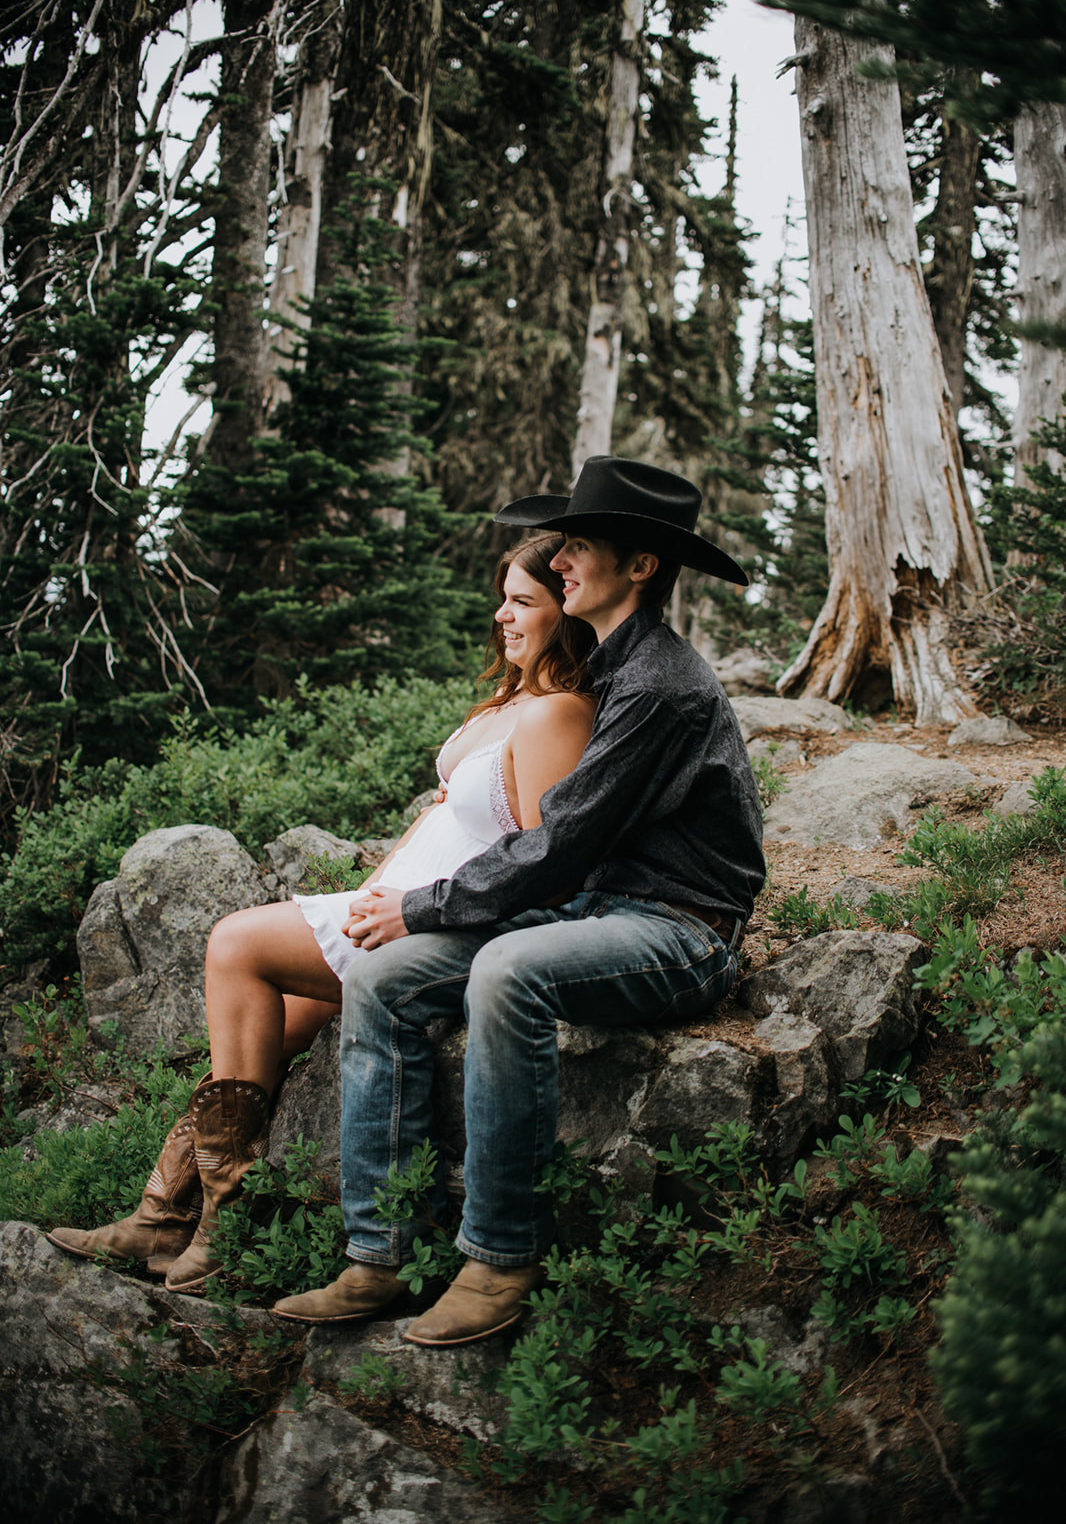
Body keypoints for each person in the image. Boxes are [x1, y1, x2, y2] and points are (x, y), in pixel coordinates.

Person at [273, 456, 766, 1344]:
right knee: (381, 982)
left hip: (682, 928)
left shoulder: (660, 684)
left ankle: (500, 1258)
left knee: (507, 971)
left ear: (641, 567)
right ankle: (375, 1256)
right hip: (598, 910)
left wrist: (424, 904)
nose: (561, 561)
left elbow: (560, 842)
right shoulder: (614, 669)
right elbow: (558, 842)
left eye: (578, 547)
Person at [47, 533, 596, 1293]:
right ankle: (159, 1213)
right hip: (391, 900)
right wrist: (383, 876)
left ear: (566, 612)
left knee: (234, 944)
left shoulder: (562, 713)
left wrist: (418, 907)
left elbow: (541, 857)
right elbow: (444, 819)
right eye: (501, 597)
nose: (503, 615)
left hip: (430, 920)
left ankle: (219, 1225)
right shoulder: (511, 699)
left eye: (523, 602)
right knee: (256, 1045)